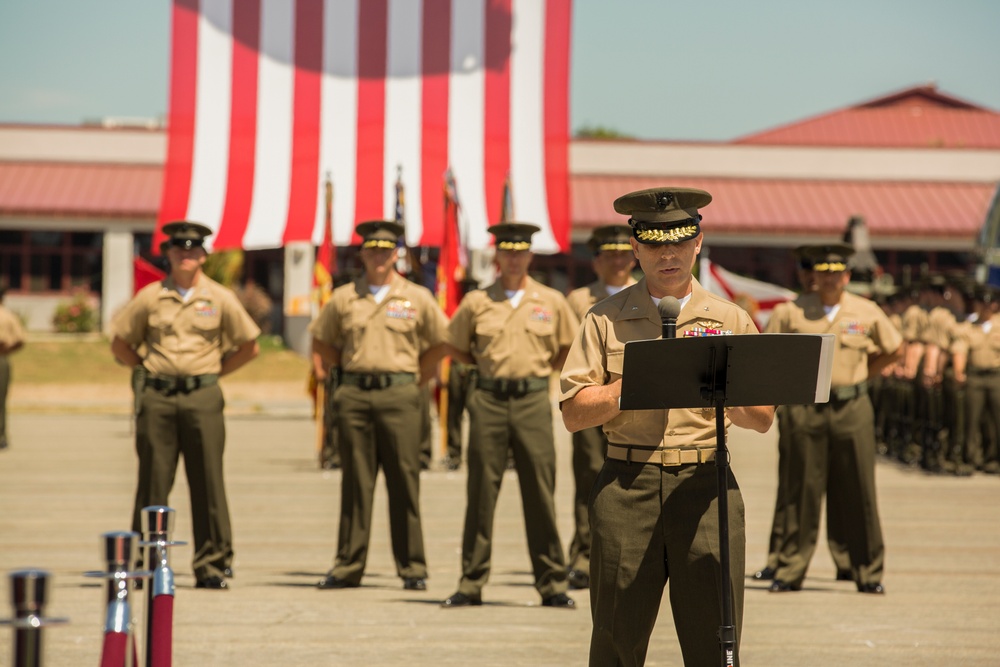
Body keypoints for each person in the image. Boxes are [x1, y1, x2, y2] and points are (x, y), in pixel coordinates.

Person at [561, 187, 774, 666]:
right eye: (655, 243)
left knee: (714, 641)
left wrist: (724, 391)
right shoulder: (603, 320)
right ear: (635, 248)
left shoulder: (730, 319)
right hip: (626, 487)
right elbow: (574, 412)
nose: (668, 254)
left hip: (705, 486)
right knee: (617, 637)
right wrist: (630, 385)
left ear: (698, 242)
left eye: (679, 241)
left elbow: (762, 418)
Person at [110, 221, 261, 589]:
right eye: (179, 250)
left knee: (208, 480)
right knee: (153, 482)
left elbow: (249, 346)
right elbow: (120, 342)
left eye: (193, 250)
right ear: (168, 254)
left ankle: (212, 563)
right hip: (158, 397)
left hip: (202, 396)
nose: (186, 256)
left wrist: (214, 373)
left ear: (204, 256)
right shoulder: (149, 297)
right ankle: (145, 563)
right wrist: (146, 369)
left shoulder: (220, 297)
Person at [442, 222, 577, 609]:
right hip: (488, 400)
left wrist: (541, 372)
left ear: (530, 256)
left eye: (521, 252)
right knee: (481, 493)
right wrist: (482, 369)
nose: (514, 259)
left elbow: (567, 348)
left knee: (540, 492)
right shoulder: (477, 301)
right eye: (507, 252)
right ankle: (471, 582)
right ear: (497, 256)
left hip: (533, 400)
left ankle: (552, 583)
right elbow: (456, 346)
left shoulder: (551, 301)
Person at [311, 220, 449, 591]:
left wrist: (415, 376)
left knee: (405, 480)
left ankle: (413, 567)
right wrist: (344, 368)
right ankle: (348, 565)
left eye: (386, 251)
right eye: (372, 250)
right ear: (362, 253)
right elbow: (321, 340)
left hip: (401, 395)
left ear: (395, 254)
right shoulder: (344, 297)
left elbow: (441, 340)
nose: (379, 257)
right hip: (355, 396)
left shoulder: (417, 296)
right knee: (356, 482)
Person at [767, 243, 902, 596]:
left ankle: (867, 571)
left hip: (851, 408)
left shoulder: (867, 310)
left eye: (836, 274)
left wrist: (860, 377)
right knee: (801, 490)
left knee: (859, 489)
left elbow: (894, 348)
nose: (829, 280)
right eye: (823, 274)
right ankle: (790, 568)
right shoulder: (791, 311)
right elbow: (770, 356)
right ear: (814, 276)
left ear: (846, 276)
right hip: (805, 409)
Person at [755, 247, 851, 583]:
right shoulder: (792, 310)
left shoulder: (842, 308)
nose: (815, 277)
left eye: (822, 270)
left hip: (840, 407)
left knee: (843, 487)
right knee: (793, 487)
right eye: (809, 270)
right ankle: (781, 556)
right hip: (799, 407)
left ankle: (847, 557)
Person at [564, 224, 636, 590]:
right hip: (593, 401)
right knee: (588, 476)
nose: (617, 261)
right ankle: (583, 553)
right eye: (609, 255)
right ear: (596, 261)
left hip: (635, 402)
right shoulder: (578, 300)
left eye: (623, 254)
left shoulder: (647, 293)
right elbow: (563, 351)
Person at [951, 285, 1000, 474]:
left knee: (997, 420)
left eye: (990, 303)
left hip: (996, 375)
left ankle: (994, 458)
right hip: (975, 376)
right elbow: (960, 350)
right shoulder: (968, 327)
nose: (986, 307)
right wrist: (959, 371)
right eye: (982, 303)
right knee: (971, 419)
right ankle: (971, 458)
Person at [0, 286, 25, 451]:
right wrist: (8, 351)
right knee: (1, 399)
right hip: (2, 357)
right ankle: (1, 435)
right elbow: (20, 339)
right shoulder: (7, 316)